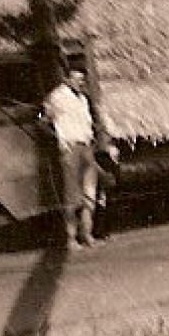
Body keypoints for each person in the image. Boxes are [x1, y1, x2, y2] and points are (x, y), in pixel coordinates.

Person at [41, 68, 100, 250]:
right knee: (72, 196)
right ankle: (71, 238)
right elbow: (43, 121)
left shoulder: (83, 99)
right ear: (67, 79)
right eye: (76, 79)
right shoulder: (57, 97)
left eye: (82, 79)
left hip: (86, 147)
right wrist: (60, 139)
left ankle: (87, 235)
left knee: (89, 193)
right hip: (70, 148)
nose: (80, 83)